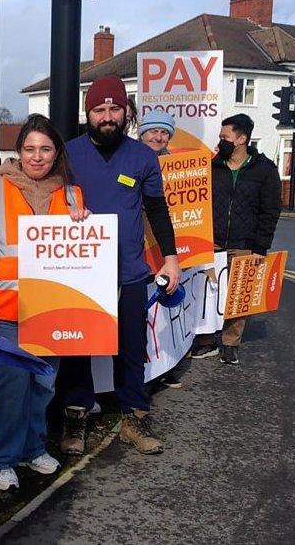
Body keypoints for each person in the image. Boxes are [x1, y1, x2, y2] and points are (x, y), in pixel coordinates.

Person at [0, 113, 87, 491]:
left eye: (45, 149)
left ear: (56, 153)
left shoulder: (72, 194)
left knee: (44, 385)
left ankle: (33, 447)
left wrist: (87, 225)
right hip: (8, 307)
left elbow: (82, 247)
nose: (37, 156)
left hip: (52, 307)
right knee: (12, 384)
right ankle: (1, 457)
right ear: (18, 152)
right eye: (29, 149)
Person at [59, 76, 180, 456]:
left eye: (115, 109)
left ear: (127, 112)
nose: (108, 116)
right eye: (99, 109)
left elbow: (157, 209)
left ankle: (135, 418)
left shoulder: (142, 156)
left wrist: (171, 258)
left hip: (128, 269)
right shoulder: (69, 153)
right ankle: (75, 417)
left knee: (130, 346)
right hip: (79, 269)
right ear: (88, 113)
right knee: (78, 347)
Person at [189, 113, 281, 365]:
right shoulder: (212, 165)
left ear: (242, 139)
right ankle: (206, 340)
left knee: (239, 296)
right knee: (208, 292)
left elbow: (270, 210)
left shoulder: (265, 170)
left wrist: (261, 246)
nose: (220, 142)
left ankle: (230, 344)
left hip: (245, 243)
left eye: (225, 137)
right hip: (212, 241)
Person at [137, 110, 183, 390]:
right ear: (142, 133)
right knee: (143, 311)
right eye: (153, 131)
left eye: (164, 132)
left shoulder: (176, 165)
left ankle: (162, 366)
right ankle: (141, 370)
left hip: (167, 246)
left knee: (164, 310)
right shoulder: (130, 158)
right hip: (140, 246)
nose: (158, 136)